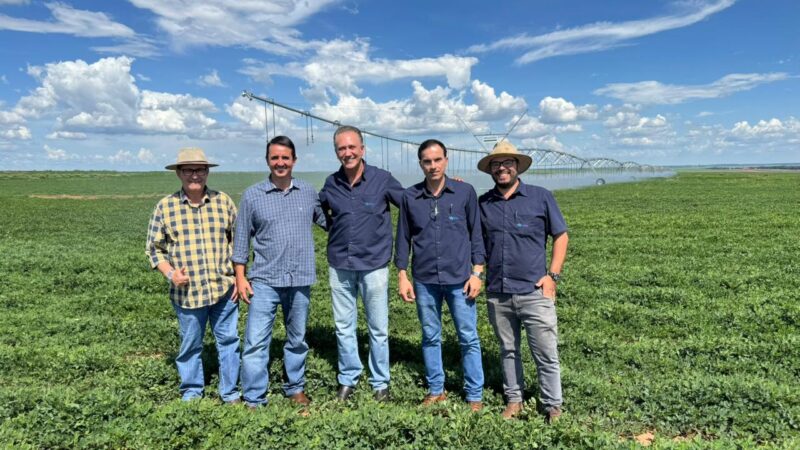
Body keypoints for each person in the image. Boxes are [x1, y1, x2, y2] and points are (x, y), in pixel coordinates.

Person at [232, 136, 327, 410]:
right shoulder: (252, 195)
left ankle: (294, 387)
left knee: (297, 339)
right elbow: (241, 239)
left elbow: (329, 222)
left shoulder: (308, 192)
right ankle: (253, 397)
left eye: (285, 158)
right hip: (264, 280)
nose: (280, 163)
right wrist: (240, 276)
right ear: (267, 161)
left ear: (294, 161)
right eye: (275, 158)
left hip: (300, 279)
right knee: (255, 342)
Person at [477, 141, 569, 422]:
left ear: (517, 166)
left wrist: (552, 275)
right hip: (498, 291)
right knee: (508, 350)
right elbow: (478, 246)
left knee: (545, 351)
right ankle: (514, 400)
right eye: (496, 164)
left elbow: (561, 235)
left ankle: (552, 405)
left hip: (534, 290)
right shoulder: (483, 203)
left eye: (507, 163)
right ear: (491, 170)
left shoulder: (540, 197)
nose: (502, 168)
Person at [395, 139, 486, 412]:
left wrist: (477, 273)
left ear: (446, 160)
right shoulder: (409, 197)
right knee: (430, 336)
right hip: (424, 280)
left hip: (460, 279)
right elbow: (402, 239)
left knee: (468, 337)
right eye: (427, 161)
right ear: (420, 164)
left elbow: (477, 234)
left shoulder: (465, 192)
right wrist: (402, 274)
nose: (433, 166)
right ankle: (436, 389)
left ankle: (474, 394)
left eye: (437, 160)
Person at [146, 147, 241, 403]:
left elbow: (238, 242)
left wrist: (240, 277)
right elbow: (154, 249)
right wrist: (170, 273)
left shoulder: (224, 202)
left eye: (199, 169)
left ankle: (230, 393)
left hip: (224, 289)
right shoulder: (166, 207)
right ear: (178, 173)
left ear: (207, 172)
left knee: (229, 342)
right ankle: (191, 392)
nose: (194, 175)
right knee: (190, 346)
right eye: (188, 170)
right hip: (187, 293)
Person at [318, 125, 404, 402]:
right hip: (340, 264)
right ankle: (348, 378)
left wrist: (447, 189)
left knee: (378, 327)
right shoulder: (332, 183)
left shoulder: (382, 179)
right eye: (342, 148)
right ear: (336, 152)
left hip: (374, 264)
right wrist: (329, 225)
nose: (347, 152)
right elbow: (319, 208)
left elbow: (411, 202)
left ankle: (380, 382)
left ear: (362, 149)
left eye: (352, 147)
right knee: (344, 326)